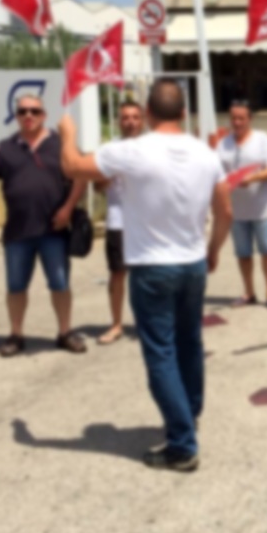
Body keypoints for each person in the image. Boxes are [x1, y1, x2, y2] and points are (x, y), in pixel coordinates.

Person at [59, 80, 232, 472]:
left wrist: (68, 135)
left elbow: (72, 166)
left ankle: (182, 444)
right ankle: (188, 414)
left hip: (153, 266)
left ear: (149, 114)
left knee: (161, 354)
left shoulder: (133, 150)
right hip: (191, 264)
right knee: (189, 343)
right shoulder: (206, 155)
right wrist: (213, 250)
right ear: (184, 113)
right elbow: (226, 211)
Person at [0, 94, 87, 357]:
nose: (28, 116)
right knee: (16, 286)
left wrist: (67, 209)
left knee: (60, 284)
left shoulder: (59, 144)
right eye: (23, 111)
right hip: (17, 232)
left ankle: (65, 332)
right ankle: (16, 334)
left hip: (53, 231)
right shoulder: (5, 148)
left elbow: (80, 176)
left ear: (44, 114)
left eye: (34, 111)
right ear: (16, 115)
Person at [215, 100, 267, 310]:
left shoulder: (262, 140)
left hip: (263, 208)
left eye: (241, 118)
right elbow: (215, 173)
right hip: (236, 211)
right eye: (234, 118)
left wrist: (251, 179)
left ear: (250, 119)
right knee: (243, 253)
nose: (237, 122)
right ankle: (248, 292)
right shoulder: (223, 144)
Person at [94, 99, 145, 345]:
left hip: (148, 222)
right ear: (119, 121)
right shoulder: (108, 150)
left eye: (135, 117)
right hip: (119, 222)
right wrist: (112, 170)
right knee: (117, 275)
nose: (130, 122)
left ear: (142, 120)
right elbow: (97, 187)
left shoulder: (152, 147)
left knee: (147, 276)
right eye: (125, 117)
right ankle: (116, 324)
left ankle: (146, 325)